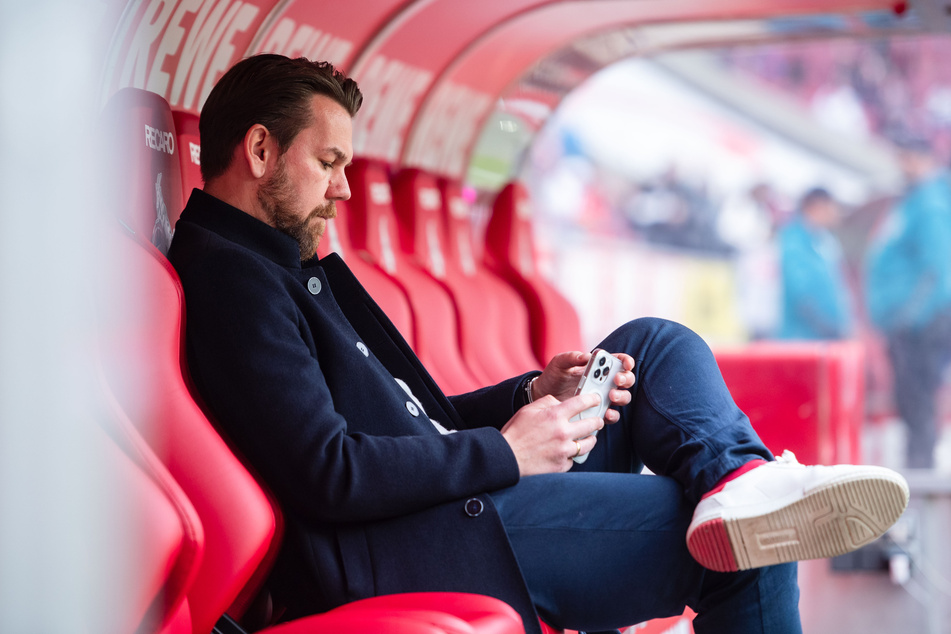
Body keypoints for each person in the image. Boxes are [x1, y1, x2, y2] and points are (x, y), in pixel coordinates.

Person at [167, 54, 909, 634]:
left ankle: (733, 478)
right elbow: (328, 471)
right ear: (260, 150)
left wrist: (527, 397)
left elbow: (413, 422)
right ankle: (739, 498)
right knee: (747, 548)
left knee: (646, 346)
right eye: (328, 163)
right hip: (424, 544)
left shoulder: (275, 268)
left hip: (456, 501)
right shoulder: (233, 282)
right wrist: (507, 451)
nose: (344, 191)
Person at [866, 134, 951, 468]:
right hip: (908, 320)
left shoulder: (930, 203)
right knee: (910, 397)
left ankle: (921, 466)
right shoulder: (914, 201)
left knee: (918, 397)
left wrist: (909, 316)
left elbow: (937, 268)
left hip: (922, 322)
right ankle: (918, 461)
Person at [777, 187, 855, 340]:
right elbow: (801, 293)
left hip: (826, 338)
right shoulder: (794, 241)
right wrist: (828, 326)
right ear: (817, 206)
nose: (835, 213)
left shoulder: (823, 240)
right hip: (802, 340)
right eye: (831, 207)